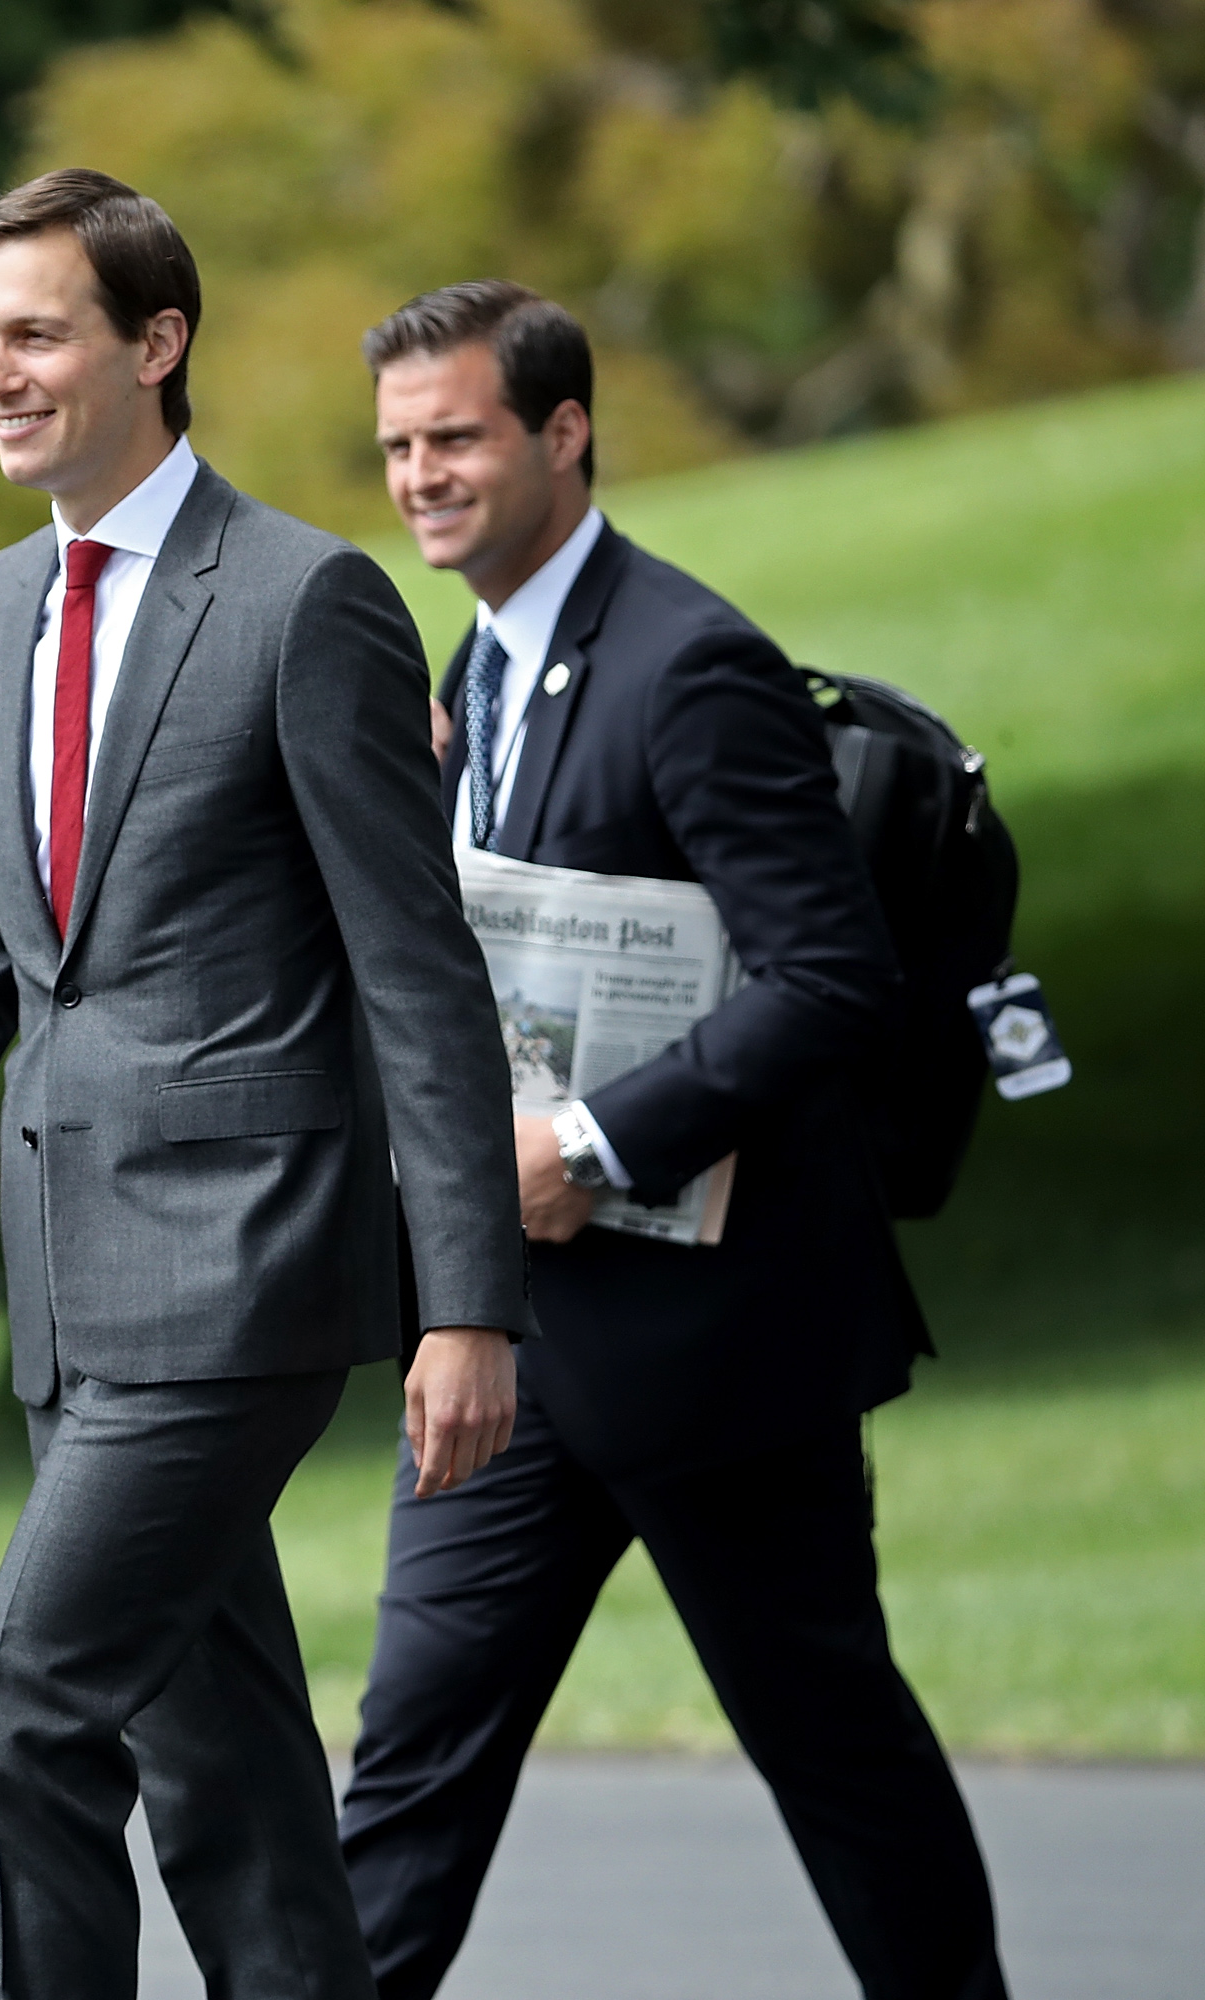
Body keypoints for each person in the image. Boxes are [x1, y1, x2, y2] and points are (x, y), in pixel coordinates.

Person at [0, 170, 529, 2000]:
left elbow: (417, 974)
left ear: (154, 342)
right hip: (68, 1286)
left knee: (24, 1732)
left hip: (243, 1270)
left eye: (34, 333)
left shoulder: (304, 600)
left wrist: (472, 1306)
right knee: (229, 1775)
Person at [338, 281, 1010, 2000]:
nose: (421, 475)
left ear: (565, 434)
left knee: (834, 1753)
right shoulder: (465, 672)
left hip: (724, 1354)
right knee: (408, 1773)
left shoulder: (689, 662)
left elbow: (831, 979)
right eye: (400, 445)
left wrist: (589, 1143)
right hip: (509, 1348)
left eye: (459, 437)